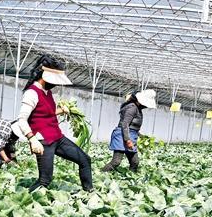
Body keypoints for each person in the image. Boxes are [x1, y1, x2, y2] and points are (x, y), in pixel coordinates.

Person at [15, 55, 93, 192]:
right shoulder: (32, 93)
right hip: (43, 141)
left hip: (57, 137)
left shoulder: (47, 92)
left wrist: (61, 110)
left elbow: (47, 113)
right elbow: (22, 119)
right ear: (44, 76)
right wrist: (32, 140)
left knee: (85, 160)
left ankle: (89, 191)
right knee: (45, 179)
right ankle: (25, 197)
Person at [102, 89, 156, 172]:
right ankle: (101, 173)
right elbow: (125, 124)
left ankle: (131, 177)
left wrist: (141, 136)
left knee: (135, 162)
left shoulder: (137, 109)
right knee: (116, 162)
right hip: (122, 136)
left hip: (130, 135)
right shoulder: (132, 108)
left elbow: (133, 127)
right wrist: (127, 140)